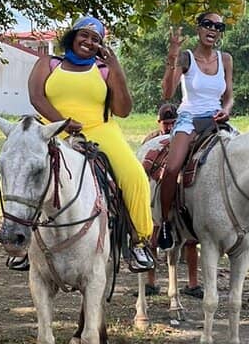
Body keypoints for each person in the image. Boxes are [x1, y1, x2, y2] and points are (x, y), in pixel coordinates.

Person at [27, 16, 155, 272]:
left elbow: (123, 109)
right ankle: (19, 241)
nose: (89, 41)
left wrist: (116, 68)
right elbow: (36, 97)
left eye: (96, 39)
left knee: (135, 176)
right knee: (22, 170)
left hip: (99, 129)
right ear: (72, 36)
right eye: (84, 35)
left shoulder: (104, 69)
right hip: (53, 128)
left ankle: (139, 243)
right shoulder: (49, 63)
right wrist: (61, 122)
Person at [156, 11, 235, 250]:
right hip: (189, 117)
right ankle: (166, 221)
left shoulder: (226, 59)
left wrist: (227, 109)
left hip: (216, 118)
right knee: (171, 168)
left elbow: (229, 95)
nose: (213, 30)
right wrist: (172, 55)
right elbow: (168, 93)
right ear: (198, 28)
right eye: (207, 24)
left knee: (244, 160)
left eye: (218, 27)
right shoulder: (186, 58)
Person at [142, 103, 202, 297]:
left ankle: (193, 284)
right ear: (158, 122)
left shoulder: (185, 139)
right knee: (153, 234)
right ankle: (150, 282)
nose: (168, 127)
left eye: (172, 123)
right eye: (165, 123)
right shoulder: (151, 140)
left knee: (192, 240)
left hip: (182, 191)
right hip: (157, 188)